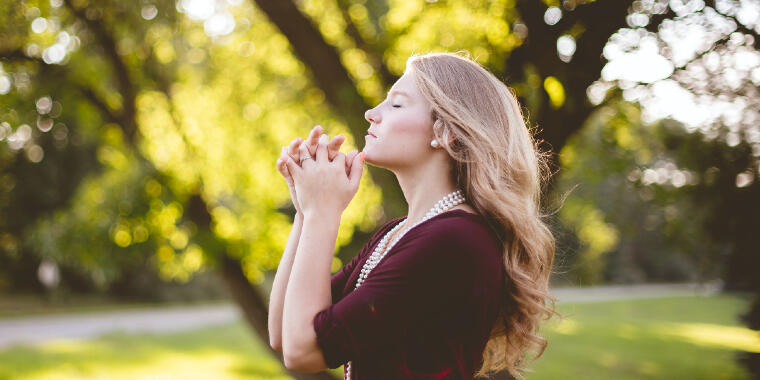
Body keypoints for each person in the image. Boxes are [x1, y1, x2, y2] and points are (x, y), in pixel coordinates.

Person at [268, 52, 561, 380]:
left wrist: (323, 211)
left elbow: (304, 351)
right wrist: (306, 210)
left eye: (395, 104)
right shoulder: (401, 233)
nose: (371, 113)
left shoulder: (452, 241)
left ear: (447, 131)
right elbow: (282, 333)